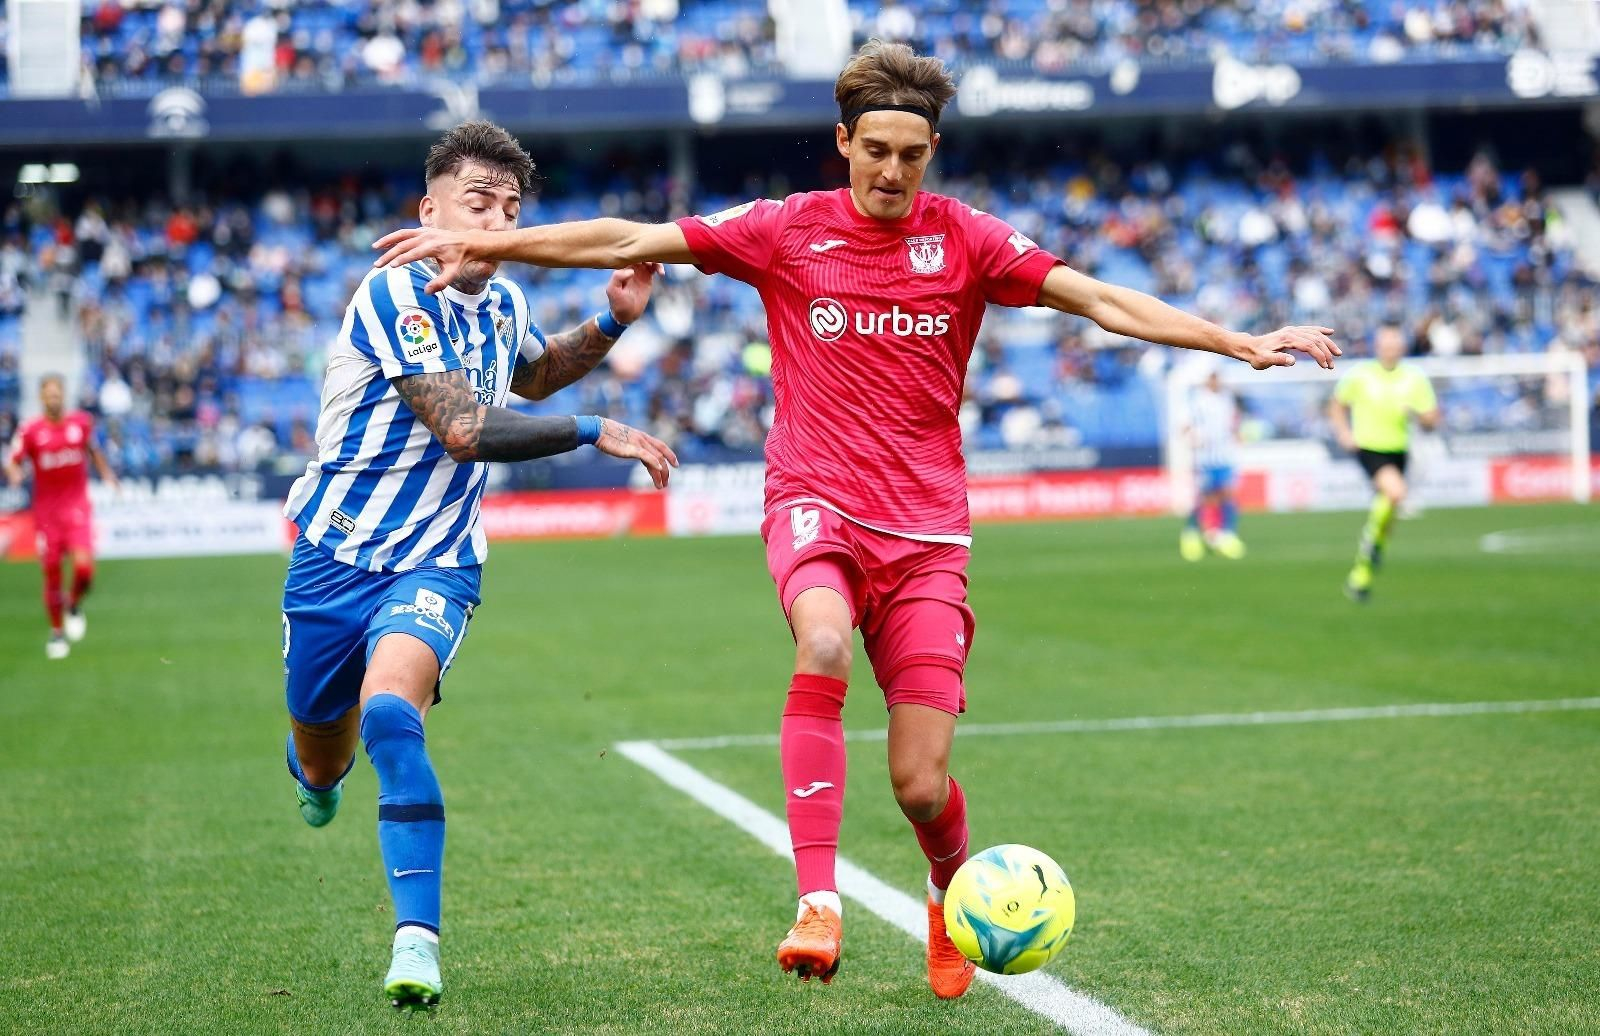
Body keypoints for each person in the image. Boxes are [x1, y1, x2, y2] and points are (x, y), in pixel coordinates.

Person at [371, 42, 1339, 999]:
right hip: (814, 506)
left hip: (927, 540)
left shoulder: (966, 241)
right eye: (874, 149)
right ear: (843, 142)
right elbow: (630, 238)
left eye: (910, 156)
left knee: (920, 784)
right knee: (822, 641)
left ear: (930, 154)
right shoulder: (786, 230)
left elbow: (1093, 298)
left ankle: (946, 888)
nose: (890, 171)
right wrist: (487, 244)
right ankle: (817, 901)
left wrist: (1236, 341)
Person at [281, 121, 677, 1010]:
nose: (496, 223)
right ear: (431, 211)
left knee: (390, 713)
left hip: (438, 559)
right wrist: (593, 430)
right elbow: (463, 427)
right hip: (333, 557)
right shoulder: (390, 295)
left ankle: (415, 942)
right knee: (321, 754)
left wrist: (610, 321)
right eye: (477, 204)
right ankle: (313, 773)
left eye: (510, 209)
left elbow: (530, 379)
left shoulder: (500, 306)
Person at [4, 374, 119, 659]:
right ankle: (56, 632)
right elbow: (12, 461)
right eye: (49, 395)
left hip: (77, 509)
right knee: (52, 575)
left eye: (58, 394)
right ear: (42, 398)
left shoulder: (80, 423)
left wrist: (106, 474)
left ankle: (74, 603)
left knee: (84, 571)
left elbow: (94, 451)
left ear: (63, 396)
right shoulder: (30, 431)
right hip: (46, 515)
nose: (54, 399)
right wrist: (15, 474)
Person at [1327, 324, 1439, 601]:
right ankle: (1371, 544)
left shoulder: (1414, 378)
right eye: (1385, 345)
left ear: (1402, 348)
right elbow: (1337, 404)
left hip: (1399, 450)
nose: (1390, 350)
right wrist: (1343, 432)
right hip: (1369, 448)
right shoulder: (1360, 375)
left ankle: (1362, 571)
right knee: (1395, 492)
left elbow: (1432, 419)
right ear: (1377, 347)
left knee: (1389, 504)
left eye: (1395, 345)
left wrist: (1416, 412)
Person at [1181, 368, 1245, 561]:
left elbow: (1232, 424)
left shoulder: (1226, 399)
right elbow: (1184, 427)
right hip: (1205, 458)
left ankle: (1226, 535)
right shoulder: (1196, 401)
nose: (1216, 381)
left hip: (1225, 455)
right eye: (1213, 377)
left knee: (1228, 493)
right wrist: (1193, 438)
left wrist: (1237, 436)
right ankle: (1191, 534)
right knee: (1207, 499)